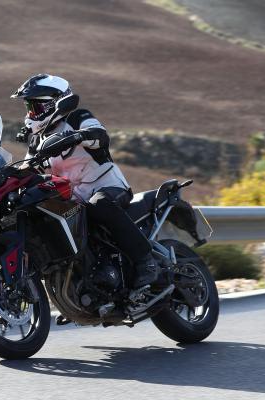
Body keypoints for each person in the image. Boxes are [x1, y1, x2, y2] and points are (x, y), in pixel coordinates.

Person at [11, 74, 159, 288]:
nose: (31, 114)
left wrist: (78, 136)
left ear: (55, 103)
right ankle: (72, 288)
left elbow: (100, 135)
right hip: (73, 198)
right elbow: (28, 168)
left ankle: (146, 261)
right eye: (29, 108)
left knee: (99, 205)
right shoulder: (37, 140)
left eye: (36, 107)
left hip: (106, 186)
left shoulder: (77, 117)